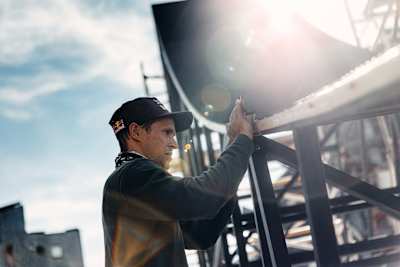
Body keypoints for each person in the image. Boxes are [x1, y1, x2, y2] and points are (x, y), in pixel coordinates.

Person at [102, 96, 254, 267]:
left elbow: (200, 236)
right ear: (136, 132)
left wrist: (228, 180)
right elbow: (203, 198)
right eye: (167, 133)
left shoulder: (130, 184)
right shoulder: (133, 175)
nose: (174, 144)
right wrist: (242, 139)